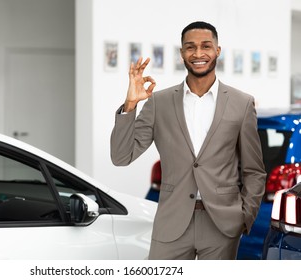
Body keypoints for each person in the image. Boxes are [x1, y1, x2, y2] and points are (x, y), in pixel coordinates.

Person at [110, 21, 266, 260]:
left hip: (222, 226)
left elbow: (254, 170)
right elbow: (121, 157)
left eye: (206, 46)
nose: (198, 53)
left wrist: (244, 217)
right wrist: (131, 105)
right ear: (182, 53)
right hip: (171, 223)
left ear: (217, 51)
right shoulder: (158, 102)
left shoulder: (242, 103)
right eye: (190, 47)